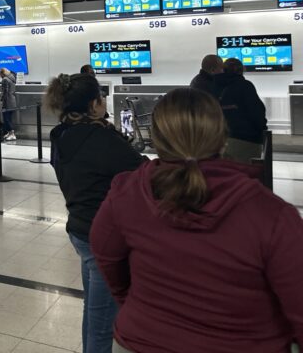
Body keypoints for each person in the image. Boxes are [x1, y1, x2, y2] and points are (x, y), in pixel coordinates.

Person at [90, 87, 303, 353]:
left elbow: (105, 254)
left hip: (141, 339)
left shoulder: (127, 192)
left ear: (157, 139)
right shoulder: (270, 213)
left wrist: (133, 302)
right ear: (222, 138)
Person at [45, 73, 144, 353]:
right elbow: (142, 171)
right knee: (102, 325)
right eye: (100, 98)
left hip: (80, 229)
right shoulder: (101, 139)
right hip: (104, 235)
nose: (103, 102)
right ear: (93, 105)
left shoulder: (60, 134)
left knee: (94, 310)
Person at [215, 58, 267, 163]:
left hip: (223, 138)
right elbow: (256, 112)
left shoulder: (214, 85)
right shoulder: (245, 86)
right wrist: (262, 129)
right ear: (242, 70)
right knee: (247, 171)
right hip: (246, 139)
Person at [0, 67, 17, 141]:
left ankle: (12, 134)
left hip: (7, 101)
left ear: (2, 73)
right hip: (12, 100)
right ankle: (9, 133)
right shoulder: (12, 78)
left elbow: (5, 92)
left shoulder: (5, 79)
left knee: (6, 118)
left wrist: (1, 100)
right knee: (9, 118)